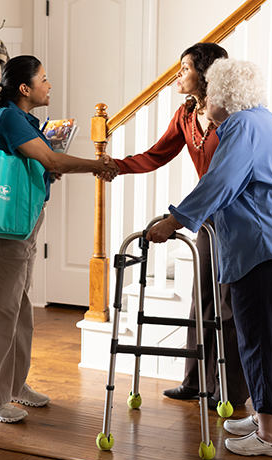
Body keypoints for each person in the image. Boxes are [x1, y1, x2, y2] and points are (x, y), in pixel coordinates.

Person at [146, 57, 272, 456]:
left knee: (260, 337)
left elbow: (219, 182)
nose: (204, 104)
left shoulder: (240, 126)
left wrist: (173, 222)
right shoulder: (264, 120)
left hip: (267, 246)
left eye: (210, 94)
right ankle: (263, 416)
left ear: (224, 94)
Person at [0, 55, 119, 423]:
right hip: (3, 230)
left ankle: (15, 387)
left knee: (19, 310)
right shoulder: (7, 117)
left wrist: (49, 168)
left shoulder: (23, 120)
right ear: (25, 88)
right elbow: (51, 161)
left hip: (23, 223)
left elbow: (40, 164)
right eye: (44, 79)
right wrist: (98, 165)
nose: (49, 85)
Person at [104, 43, 249, 408]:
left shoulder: (234, 112)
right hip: (207, 218)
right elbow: (155, 155)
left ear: (205, 73)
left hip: (240, 218)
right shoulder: (185, 115)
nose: (178, 75)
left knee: (229, 306)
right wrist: (115, 166)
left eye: (184, 68)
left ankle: (229, 391)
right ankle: (194, 381)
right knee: (202, 300)